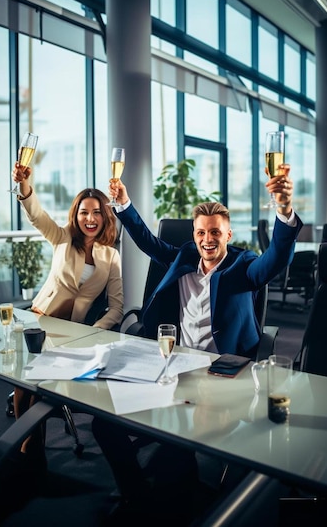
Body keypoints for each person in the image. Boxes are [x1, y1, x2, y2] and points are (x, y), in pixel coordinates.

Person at [91, 164, 303, 523]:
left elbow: (273, 262)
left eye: (216, 233)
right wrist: (123, 204)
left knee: (177, 444)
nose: (208, 240)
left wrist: (284, 212)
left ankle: (171, 507)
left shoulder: (243, 266)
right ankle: (137, 493)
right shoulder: (184, 256)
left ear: (228, 234)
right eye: (202, 232)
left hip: (219, 374)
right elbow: (146, 240)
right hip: (171, 365)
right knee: (104, 423)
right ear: (194, 234)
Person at [10, 162, 124, 469]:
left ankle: (29, 452)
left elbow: (117, 307)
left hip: (72, 332)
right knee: (27, 383)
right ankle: (31, 449)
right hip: (39, 319)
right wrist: (24, 186)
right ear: (76, 215)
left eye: (97, 212)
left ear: (105, 217)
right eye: (84, 212)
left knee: (39, 386)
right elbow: (36, 214)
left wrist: (95, 330)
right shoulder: (61, 238)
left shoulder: (110, 256)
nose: (90, 218)